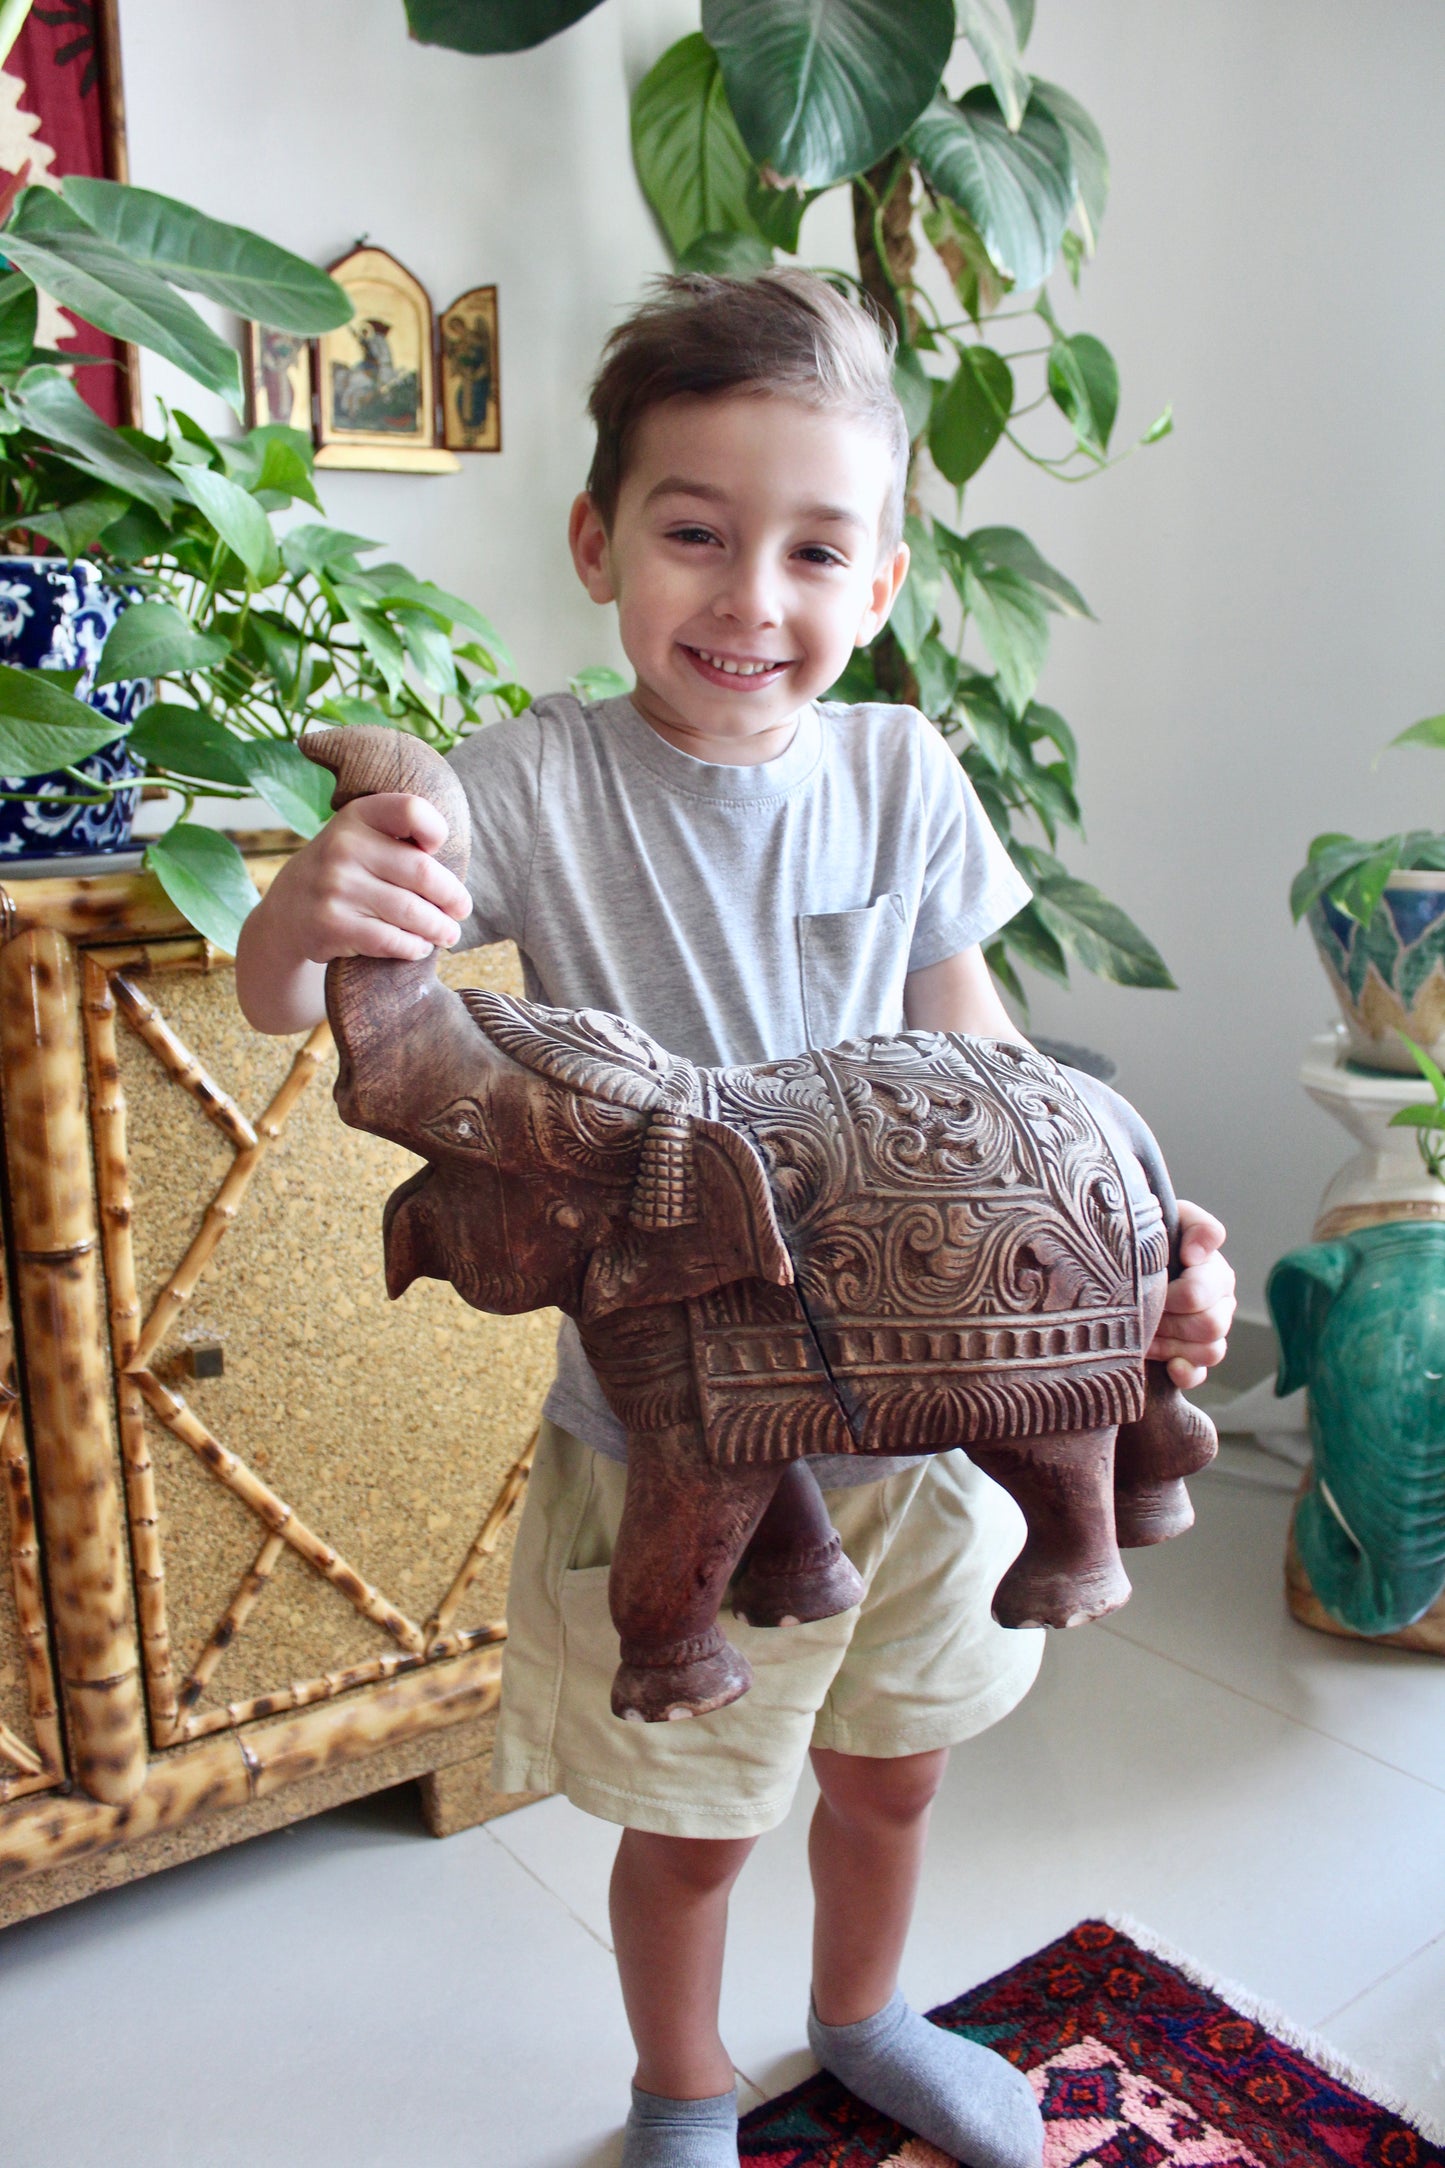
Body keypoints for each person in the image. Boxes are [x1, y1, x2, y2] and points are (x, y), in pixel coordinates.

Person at [236, 269, 1236, 2168]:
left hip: (931, 1438)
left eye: (811, 552)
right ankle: (680, 2088)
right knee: (689, 1826)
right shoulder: (522, 783)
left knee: (895, 1773)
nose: (749, 598)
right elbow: (312, 1011)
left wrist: (1134, 1228)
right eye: (695, 534)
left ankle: (861, 2016)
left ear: (875, 588)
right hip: (668, 1430)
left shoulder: (906, 769)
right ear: (598, 542)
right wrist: (316, 908)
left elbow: (984, 1054)